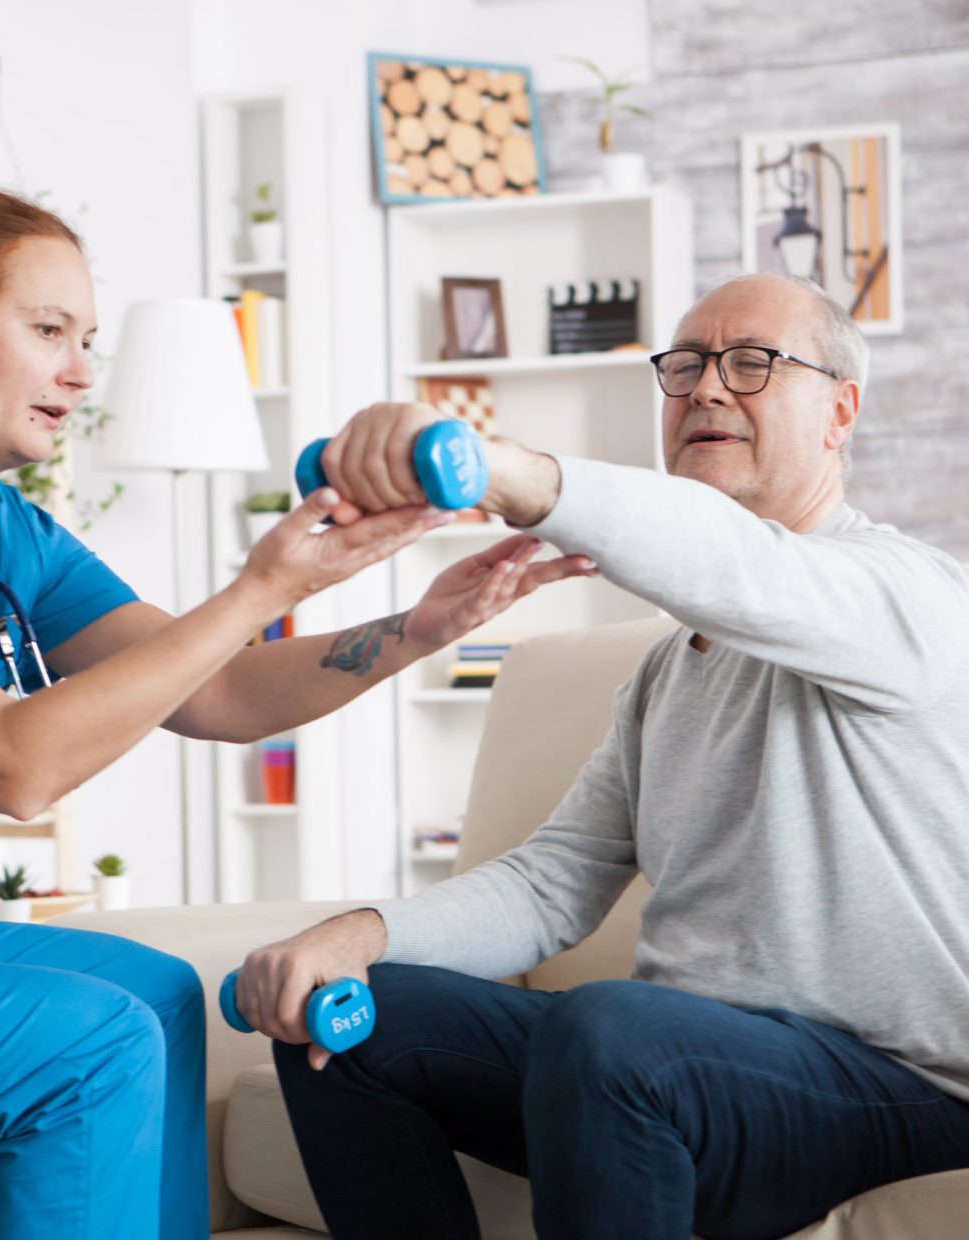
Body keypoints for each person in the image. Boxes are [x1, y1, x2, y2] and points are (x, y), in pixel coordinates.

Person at [0, 185, 597, 1240]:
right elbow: (5, 768)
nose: (82, 372)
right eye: (49, 331)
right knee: (85, 1046)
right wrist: (260, 589)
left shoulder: (0, 529)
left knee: (156, 993)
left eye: (86, 339)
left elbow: (220, 691)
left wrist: (417, 626)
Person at [235, 273, 969, 1239]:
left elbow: (735, 566)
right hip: (673, 1070)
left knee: (614, 1028)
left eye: (754, 364)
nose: (708, 388)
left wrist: (503, 471)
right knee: (352, 1020)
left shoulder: (908, 597)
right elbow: (553, 884)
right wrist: (357, 936)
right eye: (686, 367)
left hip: (892, 1085)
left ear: (842, 410)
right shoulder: (669, 672)